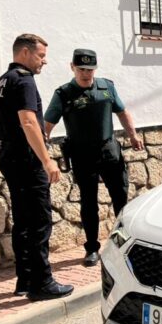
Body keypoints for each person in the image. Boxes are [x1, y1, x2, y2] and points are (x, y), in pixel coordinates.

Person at [0, 34, 74, 301]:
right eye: (41, 56)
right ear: (25, 53)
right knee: (38, 220)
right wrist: (46, 160)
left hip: (8, 153)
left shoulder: (1, 81)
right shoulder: (24, 80)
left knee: (23, 220)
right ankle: (42, 283)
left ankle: (25, 279)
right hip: (25, 156)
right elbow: (28, 122)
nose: (44, 61)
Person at [44, 49, 144, 266]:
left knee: (120, 197)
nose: (86, 73)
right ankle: (91, 249)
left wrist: (133, 135)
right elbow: (47, 125)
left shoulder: (107, 87)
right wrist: (42, 150)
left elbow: (122, 111)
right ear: (72, 67)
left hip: (109, 151)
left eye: (90, 69)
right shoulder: (63, 93)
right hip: (82, 155)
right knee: (89, 203)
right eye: (81, 69)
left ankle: (122, 242)